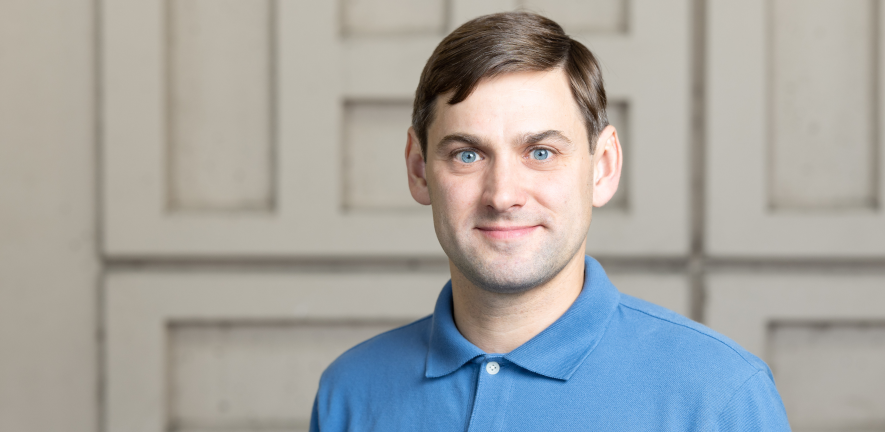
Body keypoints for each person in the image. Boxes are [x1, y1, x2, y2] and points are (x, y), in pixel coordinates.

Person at [310, 11, 790, 431]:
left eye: (541, 152)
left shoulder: (720, 395)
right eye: (468, 154)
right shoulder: (350, 392)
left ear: (602, 167)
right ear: (419, 169)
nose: (503, 195)